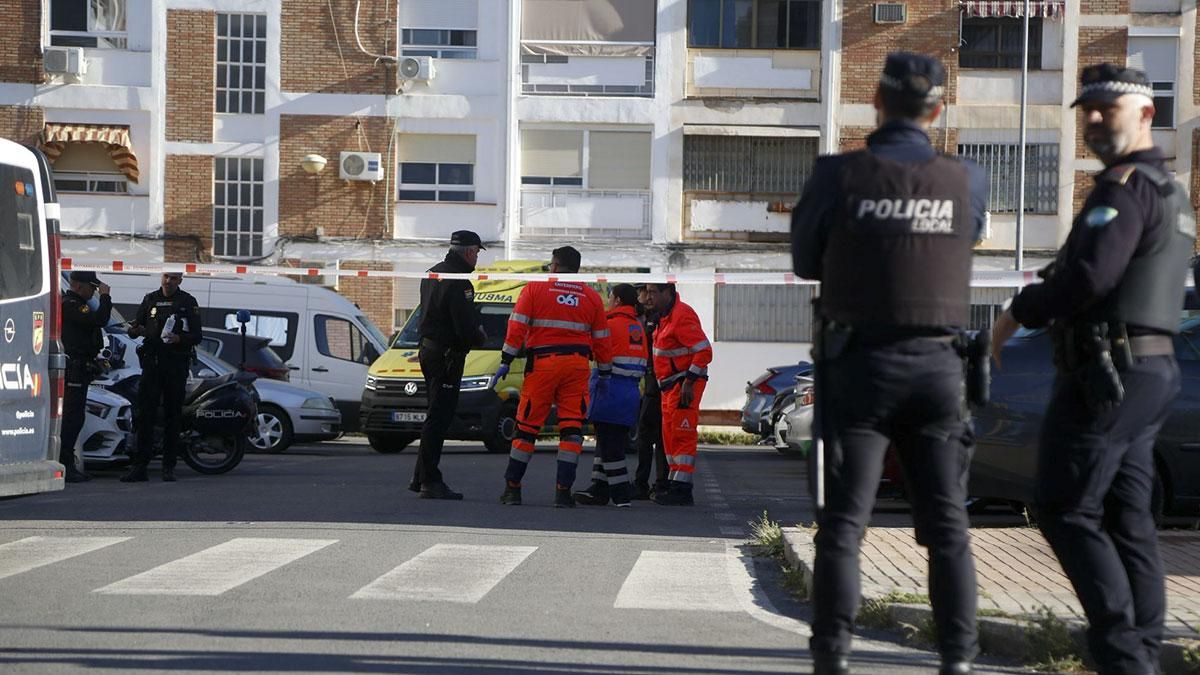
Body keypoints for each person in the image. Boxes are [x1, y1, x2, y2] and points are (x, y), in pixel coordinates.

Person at [991, 64, 1194, 675]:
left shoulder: (1124, 187)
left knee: (1064, 506)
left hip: (1108, 374)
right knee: (1127, 518)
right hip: (1149, 372)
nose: (1096, 118)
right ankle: (1142, 650)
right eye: (1089, 109)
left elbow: (1089, 278)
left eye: (1110, 107)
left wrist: (1013, 317)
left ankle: (1122, 654)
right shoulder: (1169, 188)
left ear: (1147, 112)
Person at [791, 52, 989, 675]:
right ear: (937, 110)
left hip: (860, 368)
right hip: (938, 369)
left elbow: (804, 261)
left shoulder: (837, 175)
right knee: (948, 527)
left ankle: (832, 656)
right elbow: (971, 235)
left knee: (845, 525)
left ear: (876, 103)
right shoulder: (966, 179)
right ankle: (957, 659)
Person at [494, 246, 613, 507]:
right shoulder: (592, 297)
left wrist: (506, 360)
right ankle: (562, 493)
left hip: (543, 366)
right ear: (577, 269)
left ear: (556, 266)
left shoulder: (536, 289)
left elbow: (517, 327)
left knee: (526, 429)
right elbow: (602, 340)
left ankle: (513, 489)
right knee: (571, 431)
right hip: (577, 367)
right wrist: (604, 372)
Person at [407, 230, 487, 500]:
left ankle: (421, 477)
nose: (477, 258)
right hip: (446, 356)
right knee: (439, 417)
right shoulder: (458, 281)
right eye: (476, 252)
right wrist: (480, 337)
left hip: (429, 351)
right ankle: (430, 479)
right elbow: (463, 325)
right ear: (467, 252)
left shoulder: (433, 273)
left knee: (435, 413)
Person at [121, 272, 203, 482]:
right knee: (145, 415)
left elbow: (197, 335)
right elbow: (134, 329)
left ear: (180, 281)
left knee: (172, 416)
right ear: (161, 278)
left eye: (174, 278)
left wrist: (179, 339)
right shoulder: (150, 299)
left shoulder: (187, 302)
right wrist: (135, 330)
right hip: (152, 363)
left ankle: (169, 467)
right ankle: (140, 466)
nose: (169, 281)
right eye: (166, 277)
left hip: (175, 364)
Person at [573, 284, 648, 507]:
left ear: (616, 300)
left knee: (611, 445)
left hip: (609, 391)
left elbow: (592, 350)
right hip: (629, 393)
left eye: (609, 297)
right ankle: (598, 488)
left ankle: (621, 494)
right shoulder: (637, 327)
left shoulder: (609, 324)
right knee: (606, 443)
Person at [643, 282, 712, 506]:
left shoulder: (682, 316)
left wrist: (689, 382)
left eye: (653, 291)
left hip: (683, 386)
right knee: (670, 436)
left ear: (668, 293)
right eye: (647, 291)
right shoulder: (664, 317)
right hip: (670, 387)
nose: (648, 296)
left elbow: (703, 351)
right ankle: (675, 485)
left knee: (682, 435)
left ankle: (682, 489)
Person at [60, 271, 112, 483]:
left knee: (75, 417)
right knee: (72, 419)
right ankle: (65, 463)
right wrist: (106, 296)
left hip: (80, 367)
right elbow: (100, 319)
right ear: (80, 286)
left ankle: (68, 462)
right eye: (92, 287)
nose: (94, 291)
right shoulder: (71, 303)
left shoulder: (77, 303)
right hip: (73, 367)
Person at [632, 283, 667, 500]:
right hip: (651, 384)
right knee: (646, 435)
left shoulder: (662, 318)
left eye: (646, 292)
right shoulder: (646, 318)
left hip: (663, 385)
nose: (643, 297)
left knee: (660, 437)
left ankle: (660, 483)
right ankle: (644, 483)